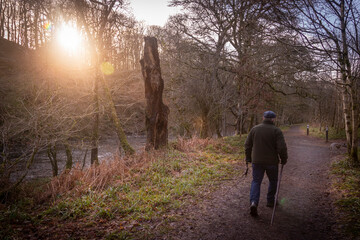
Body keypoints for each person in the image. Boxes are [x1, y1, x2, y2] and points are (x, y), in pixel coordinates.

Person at [244, 111, 288, 217]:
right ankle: (270, 201)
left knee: (256, 181)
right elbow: (281, 147)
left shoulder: (254, 129)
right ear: (273, 119)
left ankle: (254, 202)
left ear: (263, 118)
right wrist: (284, 159)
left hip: (257, 161)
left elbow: (247, 145)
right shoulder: (276, 131)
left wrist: (248, 158)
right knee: (273, 181)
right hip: (272, 162)